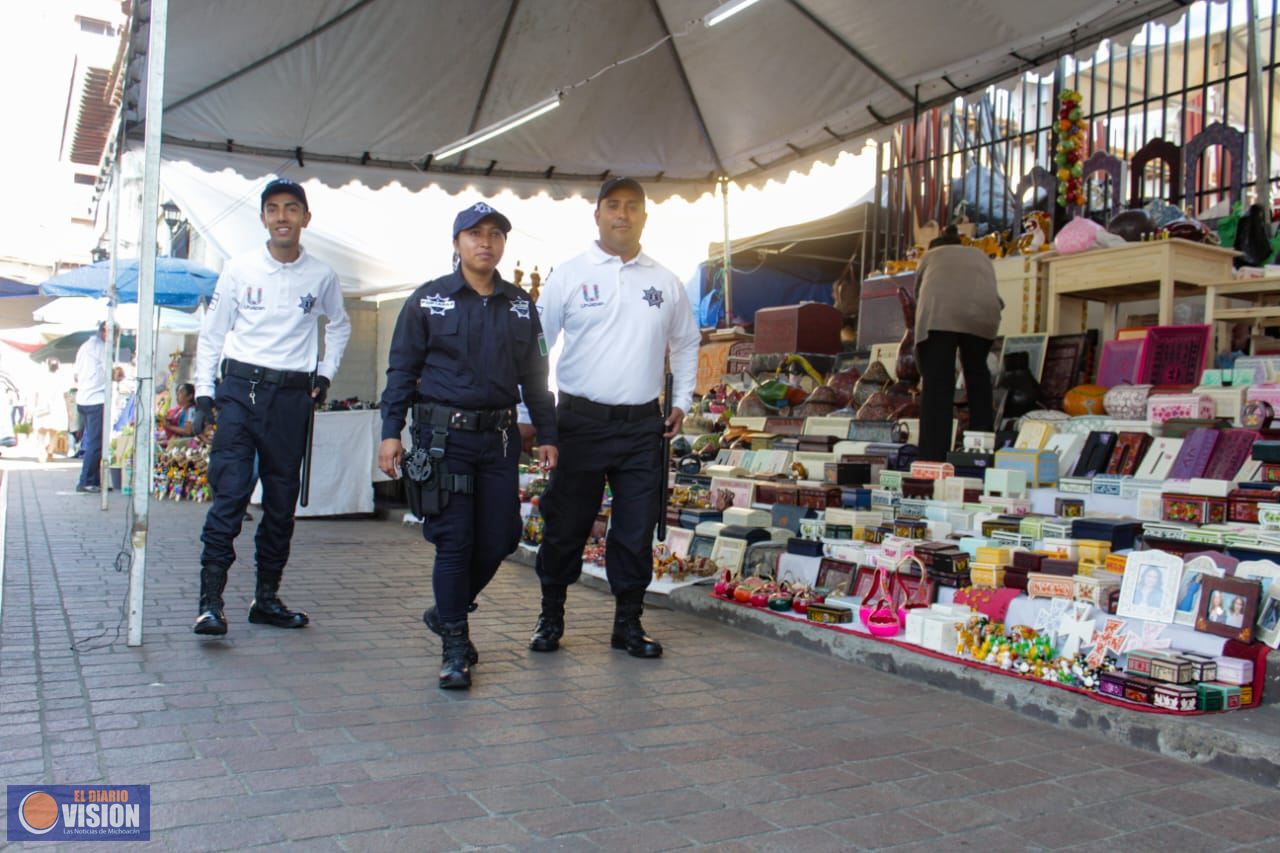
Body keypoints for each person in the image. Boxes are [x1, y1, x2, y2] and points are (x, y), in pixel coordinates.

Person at [379, 202, 557, 690]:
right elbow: (401, 371)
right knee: (455, 542)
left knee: (500, 537)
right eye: (474, 233)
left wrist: (548, 433)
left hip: (499, 440)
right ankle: (455, 644)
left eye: (495, 234)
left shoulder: (521, 305)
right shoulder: (428, 301)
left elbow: (537, 377)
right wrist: (390, 432)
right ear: (456, 243)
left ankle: (445, 610)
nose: (486, 242)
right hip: (443, 440)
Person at [529, 177, 700, 658]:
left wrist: (681, 401)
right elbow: (537, 343)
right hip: (578, 422)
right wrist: (536, 410)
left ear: (644, 216)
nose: (622, 215)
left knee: (635, 527)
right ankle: (551, 615)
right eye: (613, 206)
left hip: (643, 426)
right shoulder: (569, 273)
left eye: (632, 207)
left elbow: (687, 343)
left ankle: (628, 623)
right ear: (597, 215)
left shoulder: (665, 281)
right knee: (567, 524)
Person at [192, 178, 351, 637]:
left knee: (281, 505)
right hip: (241, 390)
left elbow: (339, 326)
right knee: (231, 496)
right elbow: (212, 334)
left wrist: (325, 374)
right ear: (262, 217)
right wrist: (205, 393)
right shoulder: (239, 269)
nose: (282, 216)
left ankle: (266, 599)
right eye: (274, 209)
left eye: (292, 208)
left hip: (291, 398)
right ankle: (210, 604)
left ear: (306, 218)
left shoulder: (322, 275)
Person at [913, 227, 1003, 461]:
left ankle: (933, 456)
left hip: (941, 315)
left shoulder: (930, 256)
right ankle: (981, 449)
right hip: (982, 314)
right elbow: (995, 296)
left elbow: (919, 296)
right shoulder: (979, 255)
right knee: (977, 373)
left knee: (938, 382)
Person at [73, 322, 109, 492]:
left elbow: (76, 374)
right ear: (104, 331)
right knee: (95, 443)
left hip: (83, 398)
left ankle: (94, 480)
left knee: (96, 442)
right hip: (95, 399)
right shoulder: (100, 347)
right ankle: (86, 480)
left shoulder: (84, 346)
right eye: (115, 334)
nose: (116, 338)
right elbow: (112, 371)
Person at [33, 359, 70, 462]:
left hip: (42, 407)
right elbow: (66, 393)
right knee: (53, 432)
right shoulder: (61, 378)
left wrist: (34, 407)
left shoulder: (41, 378)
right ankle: (50, 452)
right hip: (56, 407)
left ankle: (41, 454)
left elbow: (36, 394)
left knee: (41, 432)